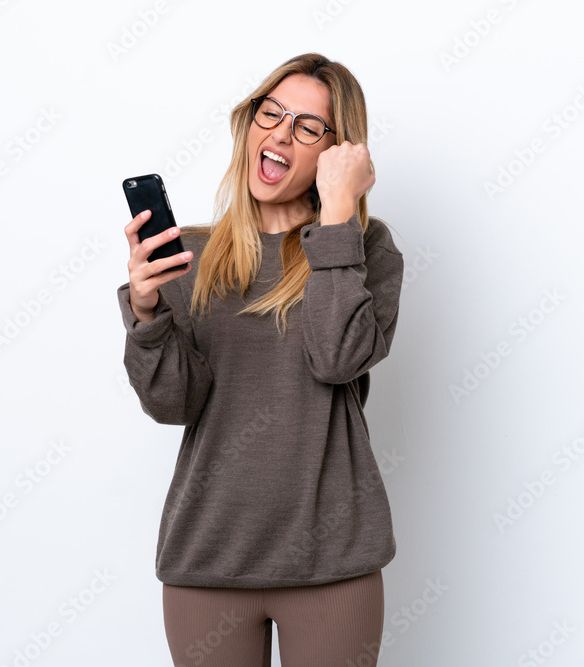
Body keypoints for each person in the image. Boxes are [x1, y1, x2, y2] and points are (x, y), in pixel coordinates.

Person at [116, 52, 404, 666]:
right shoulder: (186, 258)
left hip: (333, 561)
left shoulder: (363, 251)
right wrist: (146, 314)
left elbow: (337, 357)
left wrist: (336, 218)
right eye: (269, 112)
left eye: (306, 126)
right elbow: (173, 405)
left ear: (336, 154)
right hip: (207, 560)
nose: (279, 133)